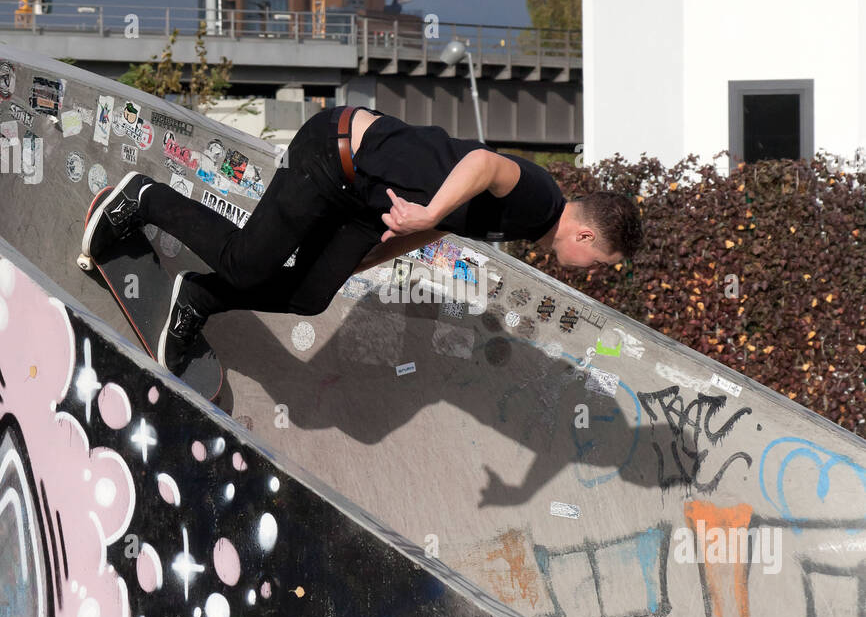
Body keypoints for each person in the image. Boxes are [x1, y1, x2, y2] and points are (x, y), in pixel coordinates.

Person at [82, 105, 642, 375]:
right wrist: (429, 214)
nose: (585, 270)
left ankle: (198, 300)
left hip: (364, 203)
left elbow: (442, 222)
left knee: (309, 294)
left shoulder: (527, 224)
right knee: (246, 264)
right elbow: (483, 163)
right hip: (335, 155)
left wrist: (373, 254)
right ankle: (142, 199)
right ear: (585, 233)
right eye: (595, 262)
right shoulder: (540, 200)